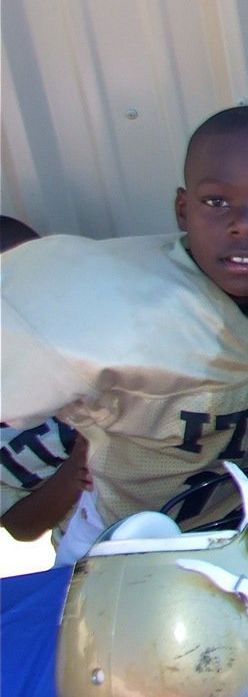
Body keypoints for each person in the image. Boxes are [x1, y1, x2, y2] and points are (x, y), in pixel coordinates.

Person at [0, 106, 248, 564]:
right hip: (124, 548)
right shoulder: (116, 307)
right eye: (216, 201)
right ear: (181, 209)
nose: (245, 223)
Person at [0, 217, 93, 546]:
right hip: (88, 551)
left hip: (182, 511)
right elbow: (20, 527)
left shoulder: (97, 343)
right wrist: (76, 468)